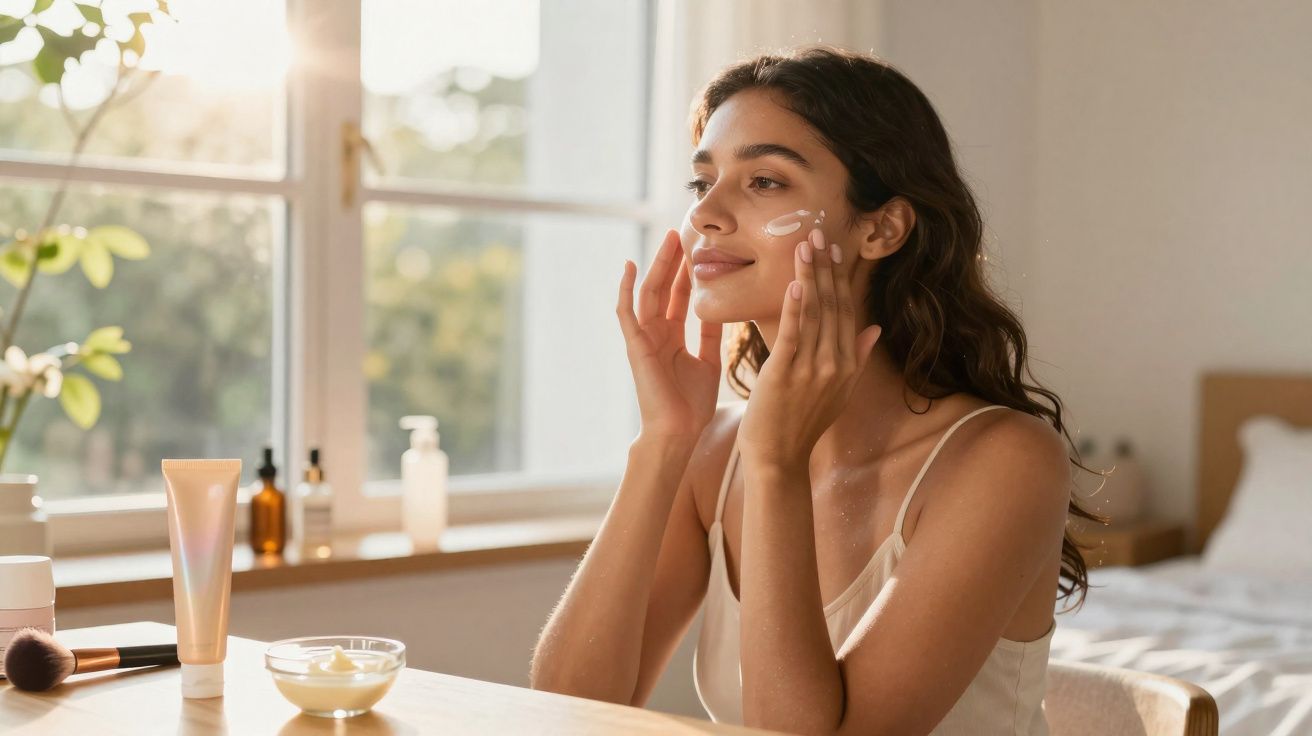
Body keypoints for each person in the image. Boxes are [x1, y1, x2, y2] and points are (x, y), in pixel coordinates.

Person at [530, 45, 1104, 735]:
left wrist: (777, 467)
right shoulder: (712, 455)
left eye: (765, 181)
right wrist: (663, 442)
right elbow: (563, 710)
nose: (707, 213)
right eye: (703, 181)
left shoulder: (1004, 461)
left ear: (881, 228)